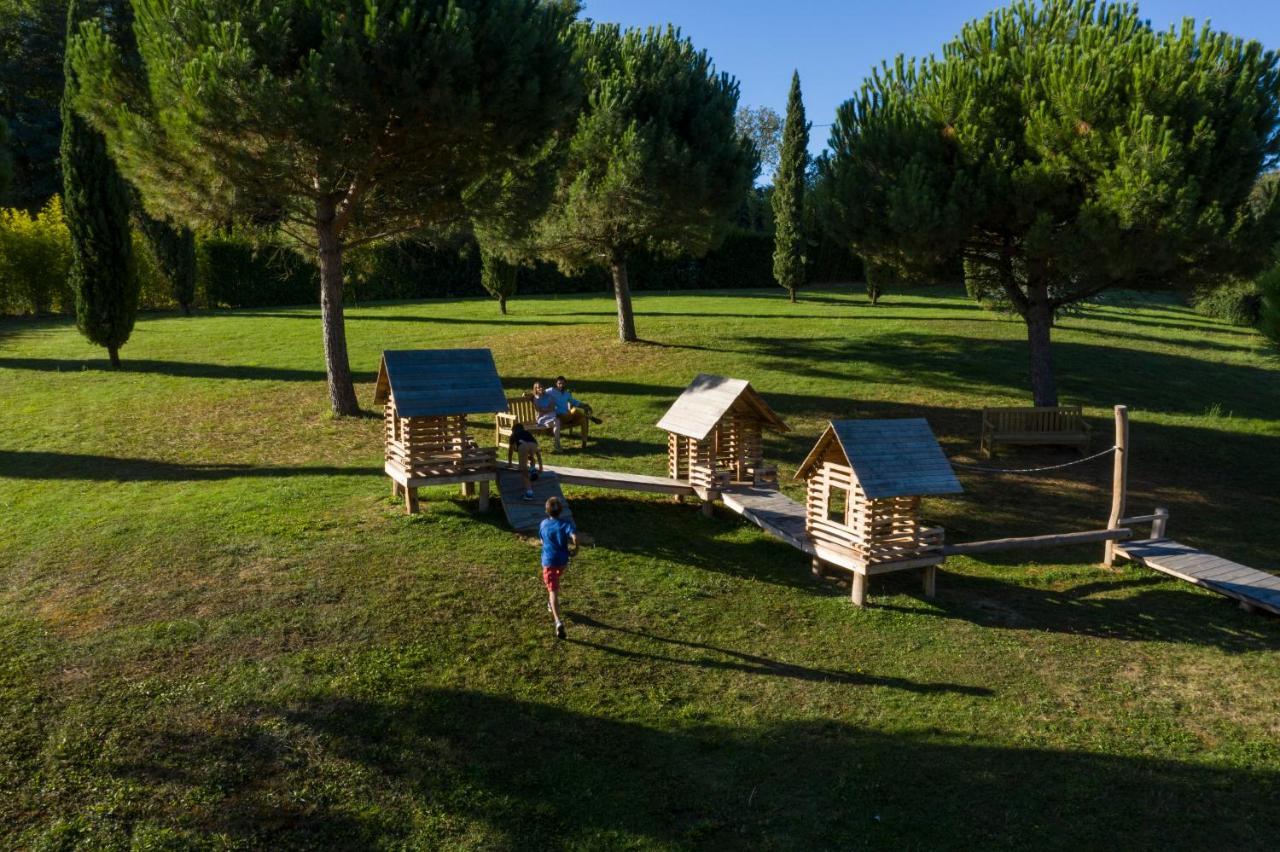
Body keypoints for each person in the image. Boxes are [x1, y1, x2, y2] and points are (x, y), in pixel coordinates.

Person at [539, 496, 577, 639]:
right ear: (561, 510)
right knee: (555, 579)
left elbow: (542, 540)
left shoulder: (543, 524)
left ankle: (557, 622)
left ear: (546, 510)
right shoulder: (565, 524)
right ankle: (551, 603)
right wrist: (576, 548)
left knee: (552, 591)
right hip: (562, 561)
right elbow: (575, 537)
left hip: (549, 562)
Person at [545, 376, 603, 448]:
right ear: (556, 384)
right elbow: (539, 392)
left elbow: (574, 402)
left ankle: (584, 443)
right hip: (559, 417)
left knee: (583, 420)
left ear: (565, 384)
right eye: (559, 383)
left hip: (568, 416)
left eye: (563, 383)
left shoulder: (566, 394)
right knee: (574, 410)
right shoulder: (551, 391)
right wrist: (530, 396)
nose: (561, 385)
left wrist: (585, 405)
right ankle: (590, 417)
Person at [507, 421, 543, 502]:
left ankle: (529, 493)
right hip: (534, 445)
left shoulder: (513, 435)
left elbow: (510, 451)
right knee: (531, 456)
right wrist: (541, 467)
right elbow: (538, 453)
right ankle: (533, 469)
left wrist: (510, 463)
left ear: (513, 430)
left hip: (522, 445)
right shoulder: (527, 433)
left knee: (523, 470)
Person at [530, 381, 561, 449]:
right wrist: (547, 409)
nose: (540, 388)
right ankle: (557, 443)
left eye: (541, 387)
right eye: (538, 388)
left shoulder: (548, 396)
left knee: (557, 421)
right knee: (556, 422)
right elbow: (539, 410)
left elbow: (552, 407)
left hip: (551, 416)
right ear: (535, 389)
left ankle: (557, 443)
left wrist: (544, 409)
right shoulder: (535, 398)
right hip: (542, 418)